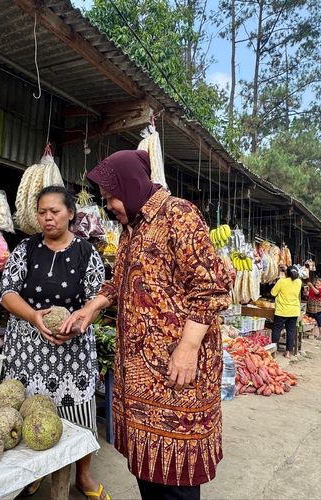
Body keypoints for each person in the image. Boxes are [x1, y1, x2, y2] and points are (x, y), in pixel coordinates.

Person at [60, 150, 232, 500]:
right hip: (141, 376)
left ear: (133, 184)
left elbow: (211, 287)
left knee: (176, 478)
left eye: (111, 196)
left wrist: (188, 347)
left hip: (175, 371)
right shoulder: (131, 229)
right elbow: (119, 281)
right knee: (149, 471)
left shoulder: (179, 216)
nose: (108, 205)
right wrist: (90, 309)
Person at [0, 186, 109, 500]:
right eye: (42, 212)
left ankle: (83, 477)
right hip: (28, 348)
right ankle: (35, 472)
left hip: (72, 350)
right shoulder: (26, 248)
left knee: (79, 412)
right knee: (30, 410)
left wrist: (80, 323)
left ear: (70, 213)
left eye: (54, 212)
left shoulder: (86, 252)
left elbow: (97, 299)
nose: (47, 218)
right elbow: (7, 292)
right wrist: (34, 317)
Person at [271, 266, 303, 358]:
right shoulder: (299, 282)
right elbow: (296, 275)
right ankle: (288, 352)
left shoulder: (281, 281)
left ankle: (275, 351)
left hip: (282, 310)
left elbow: (273, 293)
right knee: (291, 331)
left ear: (286, 273)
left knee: (277, 330)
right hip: (294, 311)